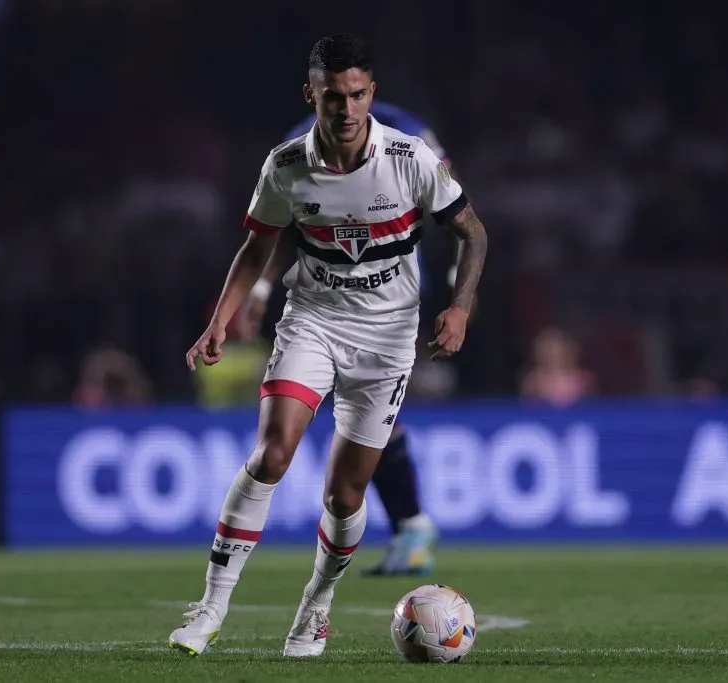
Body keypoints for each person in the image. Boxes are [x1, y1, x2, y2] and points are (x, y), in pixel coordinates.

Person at [168, 33, 488, 658]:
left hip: (388, 339)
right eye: (333, 96)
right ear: (310, 94)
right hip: (313, 320)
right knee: (271, 454)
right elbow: (258, 246)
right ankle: (209, 607)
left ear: (372, 94)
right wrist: (221, 318)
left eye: (358, 95)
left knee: (344, 497)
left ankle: (315, 608)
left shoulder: (411, 159)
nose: (346, 109)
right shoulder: (285, 166)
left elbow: (474, 233)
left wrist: (460, 306)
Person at [236, 101, 461, 577]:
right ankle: (412, 526)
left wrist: (459, 291)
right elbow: (287, 227)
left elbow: (452, 202)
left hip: (391, 290)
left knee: (374, 409)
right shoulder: (300, 143)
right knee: (368, 412)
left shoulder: (407, 133)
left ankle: (413, 524)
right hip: (333, 296)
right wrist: (259, 287)